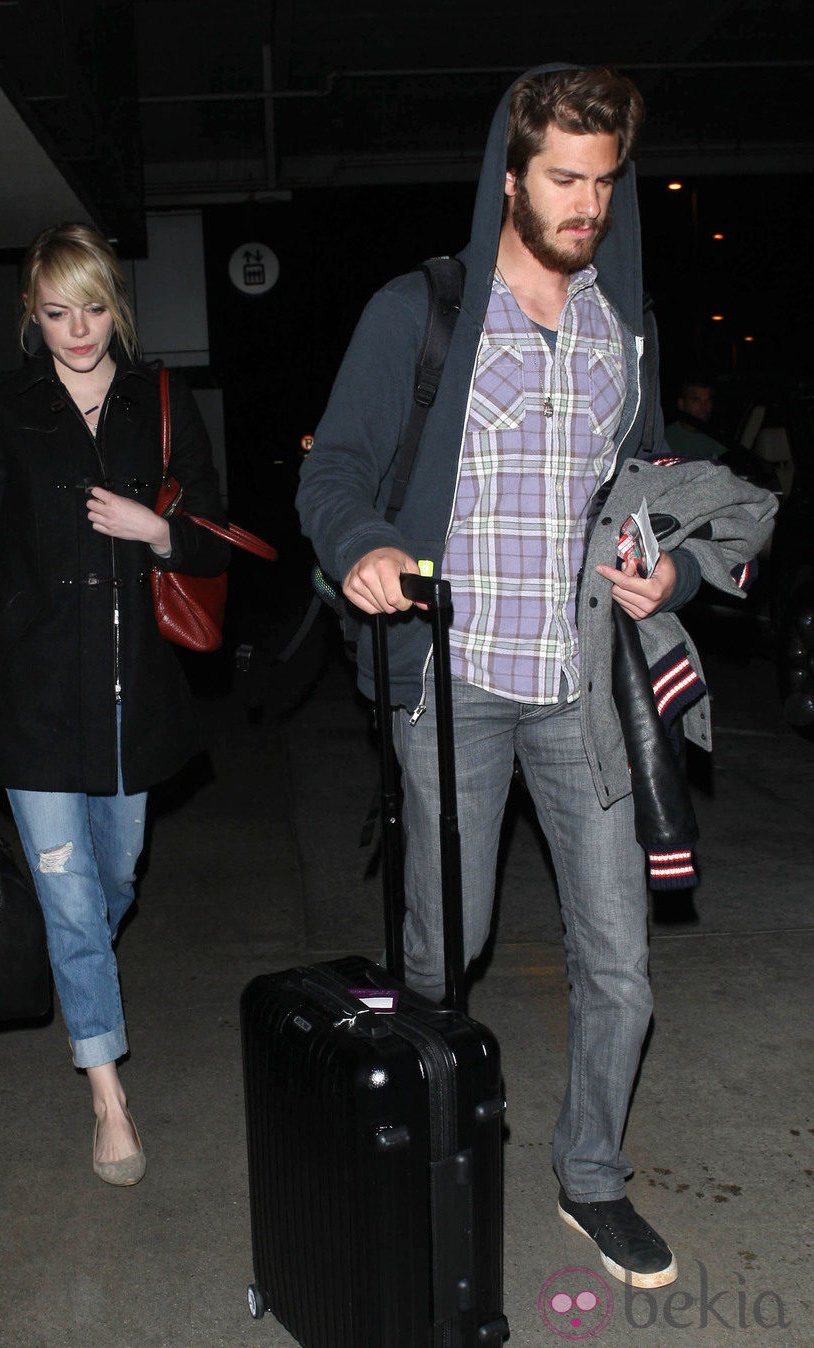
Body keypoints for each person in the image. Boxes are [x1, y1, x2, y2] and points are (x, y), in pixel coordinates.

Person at [298, 66, 775, 1287]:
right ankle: (411, 1148)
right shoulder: (419, 312)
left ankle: (590, 1175)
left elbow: (642, 496)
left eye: (604, 181)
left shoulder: (626, 325)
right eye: (563, 179)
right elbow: (332, 476)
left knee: (619, 957)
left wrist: (661, 579)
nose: (587, 204)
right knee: (434, 951)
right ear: (507, 177)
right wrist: (358, 552)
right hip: (450, 683)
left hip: (582, 690)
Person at [0, 222, 228, 1185]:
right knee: (69, 901)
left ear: (119, 305)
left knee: (112, 884)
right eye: (56, 312)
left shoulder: (159, 399)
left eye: (93, 308)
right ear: (33, 313)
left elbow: (218, 541)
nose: (77, 330)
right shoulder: (8, 408)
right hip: (30, 703)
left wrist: (159, 529)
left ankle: (75, 968)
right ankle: (109, 1099)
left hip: (130, 702)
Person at [665, 377, 727, 460]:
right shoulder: (665, 438)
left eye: (708, 401)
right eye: (696, 400)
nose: (703, 406)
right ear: (681, 403)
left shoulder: (720, 440)